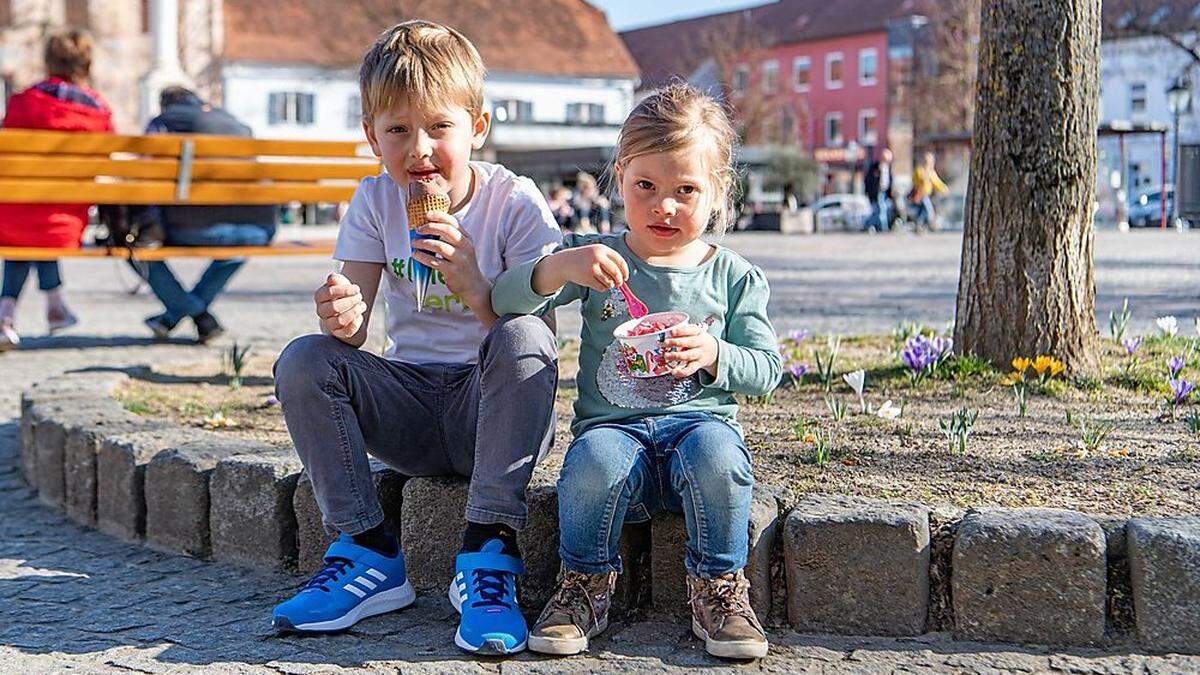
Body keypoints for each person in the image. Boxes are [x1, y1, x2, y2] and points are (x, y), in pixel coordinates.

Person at [269, 21, 562, 655]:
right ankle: (367, 552)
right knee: (304, 360)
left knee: (523, 338)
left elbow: (540, 345)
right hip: (409, 406)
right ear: (371, 136)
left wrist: (475, 285)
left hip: (489, 410)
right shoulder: (375, 200)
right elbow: (351, 330)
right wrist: (341, 314)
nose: (418, 149)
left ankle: (489, 553)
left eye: (439, 127)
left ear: (477, 128)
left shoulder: (515, 203)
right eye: (397, 130)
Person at [493, 83, 782, 660]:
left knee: (722, 462)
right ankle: (583, 584)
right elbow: (504, 301)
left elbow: (768, 368)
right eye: (645, 186)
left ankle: (719, 589)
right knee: (591, 464)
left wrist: (715, 354)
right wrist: (558, 266)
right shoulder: (600, 259)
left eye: (685, 190)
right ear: (620, 178)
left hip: (699, 431)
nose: (664, 206)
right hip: (614, 431)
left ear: (717, 191)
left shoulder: (732, 276)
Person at [0, 31, 113, 351]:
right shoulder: (98, 109)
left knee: (27, 220)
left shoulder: (23, 101)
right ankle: (54, 306)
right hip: (66, 223)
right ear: (86, 63)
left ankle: (9, 315)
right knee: (42, 220)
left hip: (13, 218)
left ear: (48, 61)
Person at [137, 86, 277, 343]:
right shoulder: (237, 124)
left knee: (133, 249)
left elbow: (144, 175)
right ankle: (184, 318)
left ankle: (195, 315)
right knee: (234, 251)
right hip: (257, 230)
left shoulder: (164, 122)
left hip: (197, 229)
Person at [910, 150, 948, 232]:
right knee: (928, 209)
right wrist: (924, 177)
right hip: (920, 194)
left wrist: (943, 189)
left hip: (927, 194)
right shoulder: (919, 170)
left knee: (923, 211)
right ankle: (931, 224)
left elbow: (937, 182)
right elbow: (916, 180)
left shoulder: (931, 172)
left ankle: (919, 225)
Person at [864, 148, 894, 233]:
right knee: (882, 210)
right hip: (877, 193)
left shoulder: (888, 168)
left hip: (885, 193)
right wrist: (869, 193)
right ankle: (884, 228)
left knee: (878, 212)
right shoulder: (875, 167)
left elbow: (890, 181)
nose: (887, 161)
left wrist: (891, 194)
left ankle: (868, 225)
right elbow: (868, 181)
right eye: (885, 159)